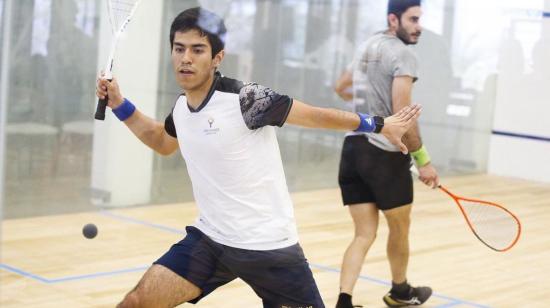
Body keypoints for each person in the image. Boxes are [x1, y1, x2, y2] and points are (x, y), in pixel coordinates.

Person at [96, 7, 421, 308]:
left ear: (217, 57)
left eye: (198, 50)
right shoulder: (182, 109)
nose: (186, 58)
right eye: (179, 48)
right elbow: (160, 141)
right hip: (211, 241)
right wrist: (119, 103)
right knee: (136, 302)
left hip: (269, 247)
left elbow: (315, 116)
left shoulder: (246, 99)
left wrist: (377, 124)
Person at [333, 1, 438, 307]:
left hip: (352, 149)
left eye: (420, 19)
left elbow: (341, 87)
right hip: (383, 155)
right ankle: (401, 291)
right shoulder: (403, 53)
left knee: (364, 234)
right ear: (394, 20)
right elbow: (403, 114)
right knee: (399, 227)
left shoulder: (368, 46)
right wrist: (423, 160)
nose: (419, 25)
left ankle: (344, 300)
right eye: (413, 19)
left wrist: (369, 108)